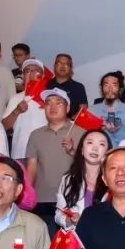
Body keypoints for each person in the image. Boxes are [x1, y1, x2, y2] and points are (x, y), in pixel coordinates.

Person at [25, 89, 82, 223]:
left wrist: (72, 151)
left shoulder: (81, 132)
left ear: (68, 108)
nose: (53, 107)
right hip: (42, 199)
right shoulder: (35, 135)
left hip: (72, 198)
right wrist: (26, 196)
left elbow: (89, 166)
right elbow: (31, 168)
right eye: (48, 103)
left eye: (58, 103)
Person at [55, 130, 111, 229]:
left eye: (101, 144)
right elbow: (59, 214)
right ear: (81, 149)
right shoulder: (68, 179)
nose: (95, 148)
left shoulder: (113, 181)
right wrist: (70, 220)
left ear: (107, 153)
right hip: (76, 235)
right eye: (90, 142)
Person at [1, 59, 48, 159]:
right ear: (23, 76)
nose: (31, 73)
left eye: (36, 71)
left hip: (44, 154)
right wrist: (17, 111)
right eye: (27, 71)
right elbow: (4, 126)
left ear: (43, 75)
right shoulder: (15, 98)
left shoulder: (49, 99)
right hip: (20, 153)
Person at [90, 71, 125, 144]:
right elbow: (86, 136)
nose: (110, 88)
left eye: (114, 85)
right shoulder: (92, 111)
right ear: (102, 89)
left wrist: (116, 132)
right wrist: (101, 130)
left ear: (120, 89)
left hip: (122, 150)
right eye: (106, 85)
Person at [46, 53, 88, 119]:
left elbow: (83, 108)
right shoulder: (46, 85)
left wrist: (71, 121)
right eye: (59, 63)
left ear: (71, 68)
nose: (62, 66)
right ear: (54, 66)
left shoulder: (78, 87)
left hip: (70, 124)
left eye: (66, 64)